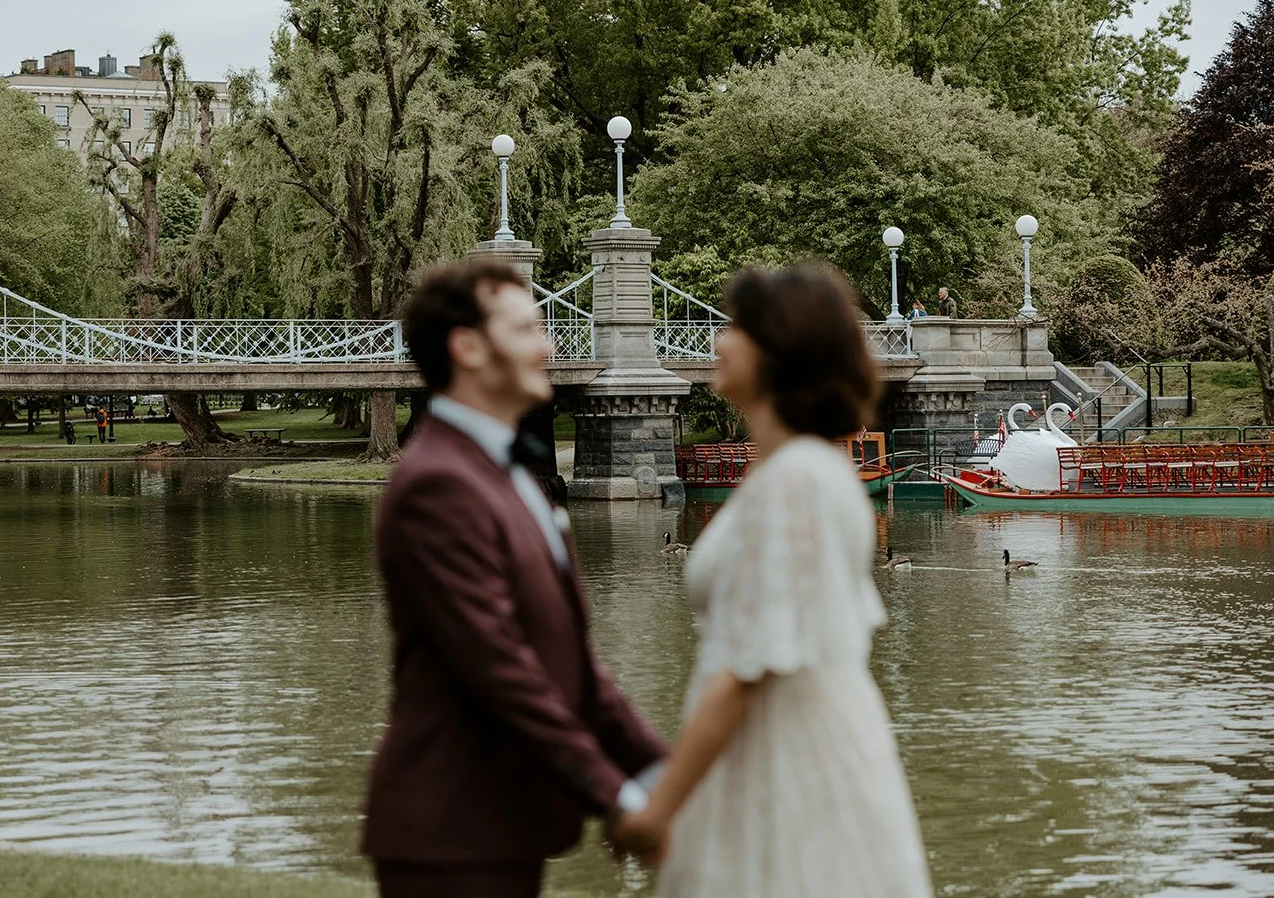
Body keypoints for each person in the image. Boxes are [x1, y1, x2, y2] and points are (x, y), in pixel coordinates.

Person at [611, 264, 933, 897]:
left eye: (736, 328)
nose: (715, 341)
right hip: (784, 751)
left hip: (787, 767)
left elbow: (742, 671)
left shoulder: (794, 484)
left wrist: (659, 808)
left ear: (777, 353)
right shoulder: (802, 473)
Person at [363, 259, 667, 898]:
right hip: (450, 831)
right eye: (527, 329)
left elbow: (575, 665)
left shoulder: (511, 475)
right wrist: (615, 794)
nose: (549, 345)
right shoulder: (437, 486)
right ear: (468, 347)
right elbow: (498, 667)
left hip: (503, 825)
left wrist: (663, 773)